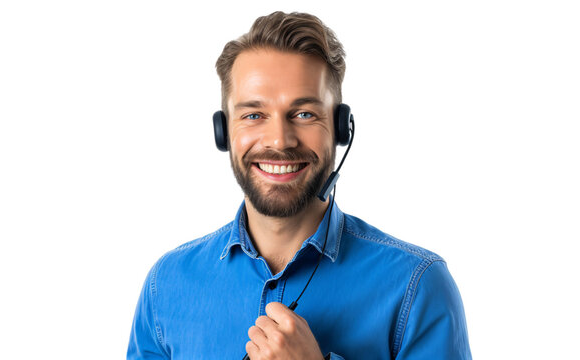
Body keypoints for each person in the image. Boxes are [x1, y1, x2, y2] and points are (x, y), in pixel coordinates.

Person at [127, 11, 471, 360]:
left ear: (340, 129)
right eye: (253, 115)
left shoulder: (417, 287)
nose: (280, 140)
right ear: (223, 132)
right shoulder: (166, 286)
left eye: (304, 114)